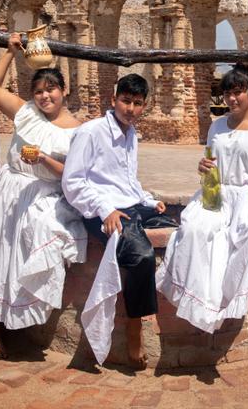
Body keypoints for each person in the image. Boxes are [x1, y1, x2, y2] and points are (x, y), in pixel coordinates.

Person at [0, 32, 87, 359]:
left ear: (64, 91)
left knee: (21, 256)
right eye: (39, 91)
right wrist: (11, 53)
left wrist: (43, 159)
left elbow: (73, 175)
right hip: (10, 189)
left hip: (44, 193)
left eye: (51, 90)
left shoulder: (78, 130)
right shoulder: (25, 113)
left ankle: (23, 325)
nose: (44, 96)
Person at [156, 63, 248, 333]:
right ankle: (198, 302)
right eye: (227, 93)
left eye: (238, 93)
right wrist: (202, 168)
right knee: (195, 231)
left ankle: (228, 301)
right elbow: (210, 161)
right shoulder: (217, 125)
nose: (232, 99)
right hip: (215, 192)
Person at [61, 73, 176, 369]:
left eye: (137, 103)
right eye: (125, 101)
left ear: (144, 105)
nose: (131, 109)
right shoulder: (91, 132)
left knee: (180, 224)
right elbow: (73, 182)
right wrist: (104, 209)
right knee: (140, 256)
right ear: (113, 100)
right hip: (97, 210)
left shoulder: (130, 134)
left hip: (128, 204)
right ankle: (134, 328)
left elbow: (127, 181)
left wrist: (150, 201)